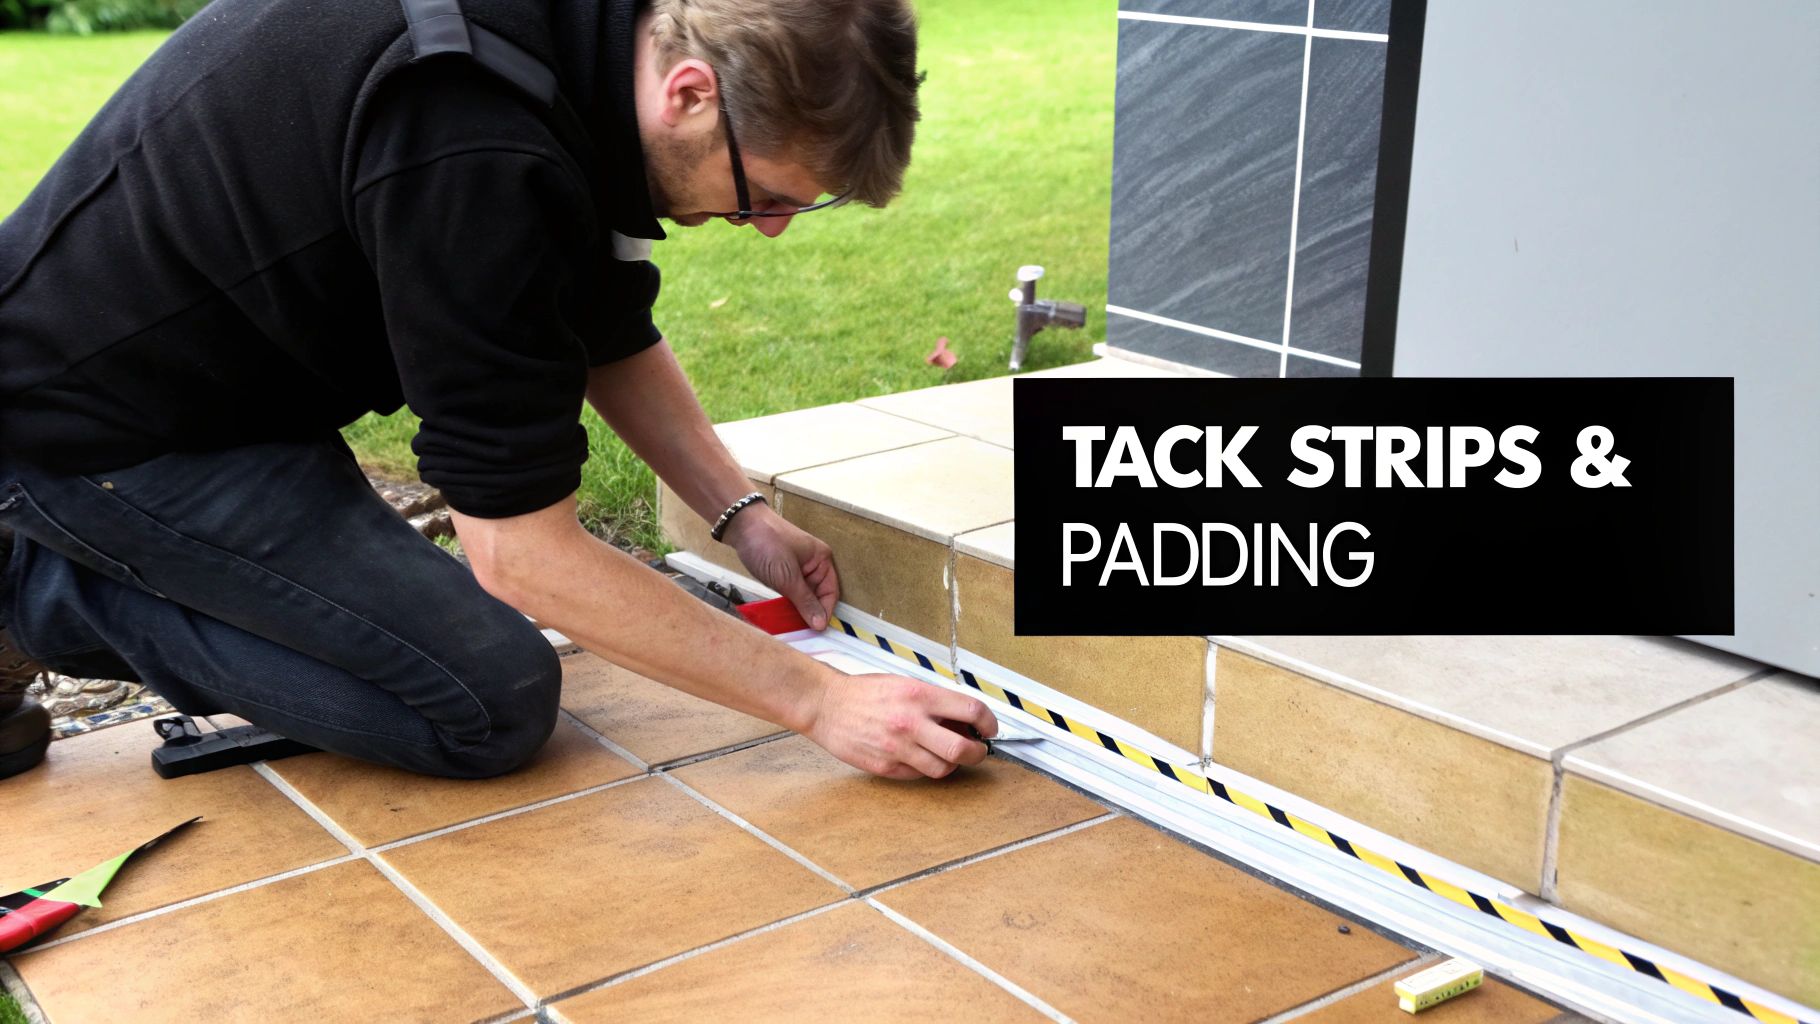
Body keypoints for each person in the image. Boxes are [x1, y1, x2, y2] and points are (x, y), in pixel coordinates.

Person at [0, 0, 998, 782]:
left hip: (228, 398)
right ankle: (26, 596)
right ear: (691, 90)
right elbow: (521, 555)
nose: (771, 224)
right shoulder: (474, 144)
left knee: (449, 661)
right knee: (486, 701)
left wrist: (739, 515)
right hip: (89, 428)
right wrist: (820, 702)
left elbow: (601, 324)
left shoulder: (592, 42)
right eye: (767, 192)